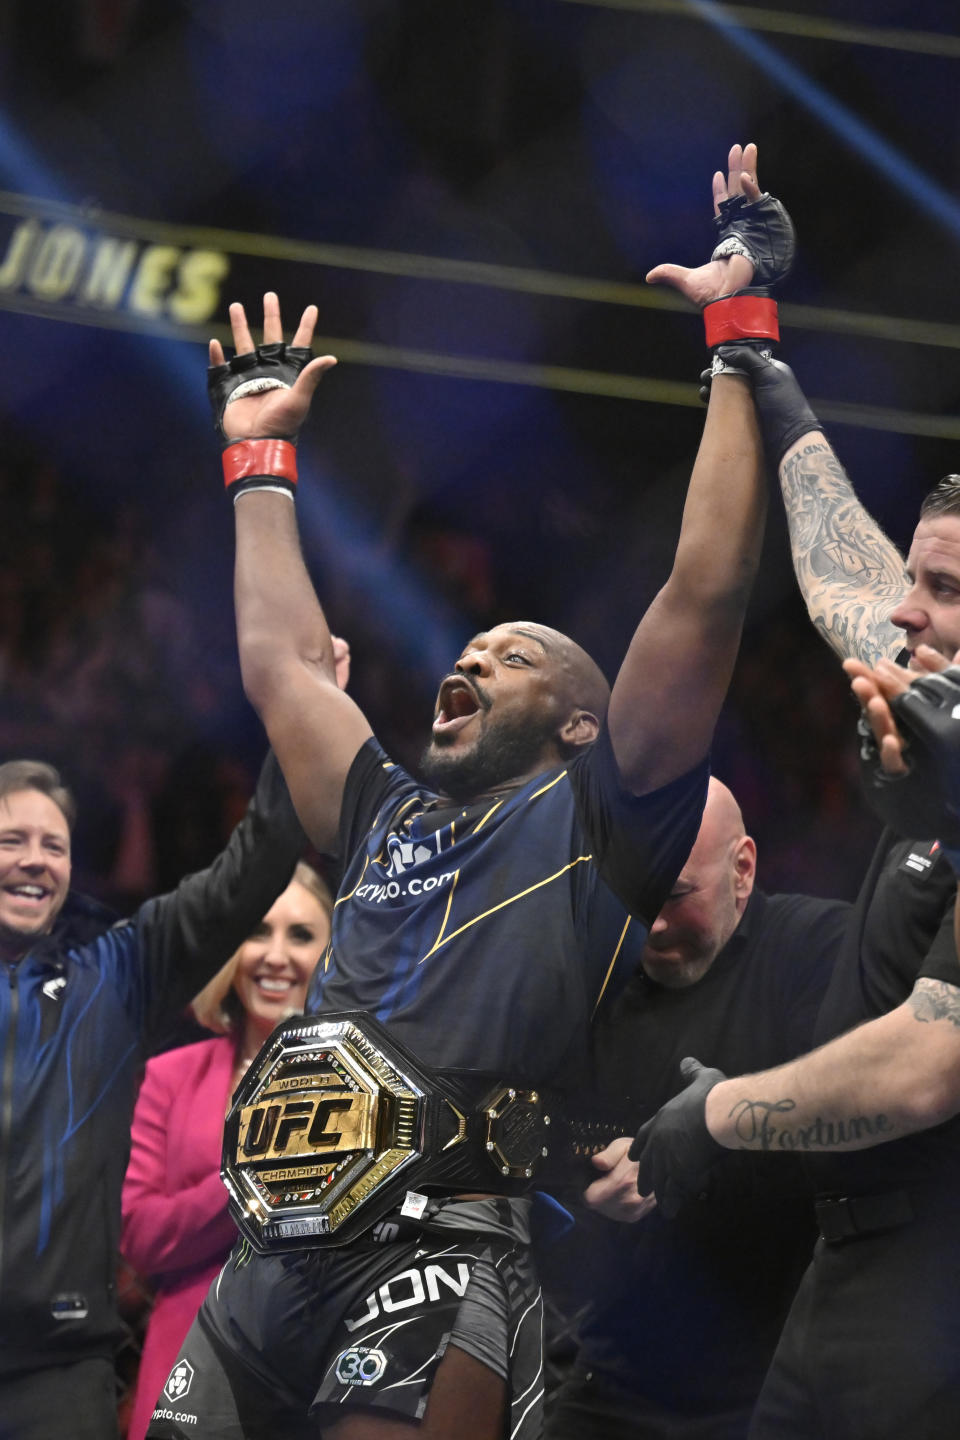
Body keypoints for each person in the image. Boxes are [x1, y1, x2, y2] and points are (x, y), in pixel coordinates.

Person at [146, 142, 779, 1440]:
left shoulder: (604, 817)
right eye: (470, 650)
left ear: (584, 722)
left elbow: (704, 589)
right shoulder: (384, 808)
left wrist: (739, 334)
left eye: (515, 656)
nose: (474, 656)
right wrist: (260, 466)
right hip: (269, 1258)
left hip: (434, 1251)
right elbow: (277, 664)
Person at [629, 343, 960, 1439]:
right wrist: (766, 367)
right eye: (921, 578)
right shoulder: (932, 697)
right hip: (846, 1278)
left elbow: (926, 1067)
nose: (907, 613)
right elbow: (849, 584)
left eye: (946, 589)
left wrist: (719, 1114)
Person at [0, 748, 306, 1440]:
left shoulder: (110, 981)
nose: (35, 859)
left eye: (54, 845)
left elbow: (250, 870)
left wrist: (298, 708)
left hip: (58, 1378)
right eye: (12, 841)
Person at [541, 779, 848, 1440]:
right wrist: (588, 1186)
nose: (650, 925)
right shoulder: (596, 978)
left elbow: (862, 1121)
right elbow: (528, 1141)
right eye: (635, 896)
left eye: (677, 896)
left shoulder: (817, 949)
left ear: (743, 868)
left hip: (784, 1373)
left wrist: (722, 1127)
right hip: (618, 1368)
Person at [121, 862, 334, 1440]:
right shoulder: (169, 1076)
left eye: (301, 935)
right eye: (257, 930)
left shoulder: (362, 1087)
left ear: (334, 954)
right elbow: (140, 1235)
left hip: (312, 1372)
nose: (275, 955)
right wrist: (257, 1174)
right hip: (182, 1364)